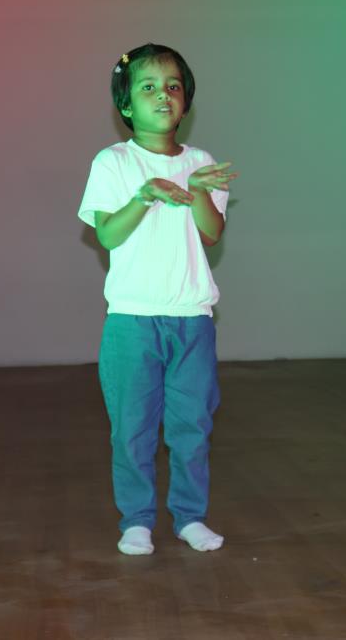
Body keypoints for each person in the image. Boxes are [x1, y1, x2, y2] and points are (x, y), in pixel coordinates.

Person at [78, 43, 237, 555]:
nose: (162, 95)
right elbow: (107, 235)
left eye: (173, 86)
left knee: (192, 426)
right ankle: (136, 521)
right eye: (147, 87)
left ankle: (190, 517)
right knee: (133, 429)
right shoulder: (113, 162)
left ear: (186, 101)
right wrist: (144, 195)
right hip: (133, 321)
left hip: (192, 318)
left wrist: (197, 191)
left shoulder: (201, 163)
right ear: (126, 104)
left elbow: (211, 233)